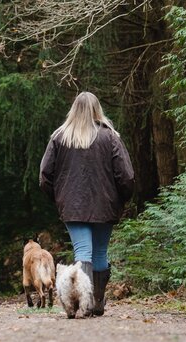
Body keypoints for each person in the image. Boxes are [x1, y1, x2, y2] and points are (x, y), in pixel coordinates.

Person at [39, 92, 135, 317]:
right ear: (96, 110)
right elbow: (127, 176)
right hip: (106, 204)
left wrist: (59, 198)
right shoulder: (109, 137)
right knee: (100, 253)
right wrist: (121, 198)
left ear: (73, 110)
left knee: (83, 252)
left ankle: (86, 302)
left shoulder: (59, 137)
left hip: (72, 206)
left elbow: (45, 175)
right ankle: (97, 302)